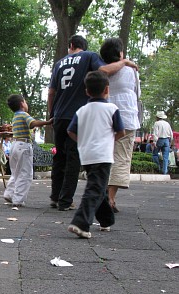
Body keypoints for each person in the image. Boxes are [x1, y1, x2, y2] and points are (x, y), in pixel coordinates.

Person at [47, 35, 136, 211]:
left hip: (60, 115)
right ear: (83, 46)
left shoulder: (59, 63)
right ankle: (66, 201)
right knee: (73, 159)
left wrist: (52, 113)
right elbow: (104, 70)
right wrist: (124, 62)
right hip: (75, 113)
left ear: (70, 45)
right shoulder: (89, 56)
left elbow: (51, 92)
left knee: (59, 157)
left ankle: (55, 197)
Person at [67, 71, 125, 239]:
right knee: (95, 188)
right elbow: (120, 131)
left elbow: (70, 131)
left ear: (86, 91)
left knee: (99, 187)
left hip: (86, 154)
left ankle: (106, 220)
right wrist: (110, 140)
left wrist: (82, 141)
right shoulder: (112, 109)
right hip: (103, 155)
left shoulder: (81, 110)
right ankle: (81, 223)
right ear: (107, 89)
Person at [100, 37, 141, 213]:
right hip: (127, 117)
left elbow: (102, 72)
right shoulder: (131, 70)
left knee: (106, 157)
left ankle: (105, 195)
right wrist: (125, 62)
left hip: (106, 117)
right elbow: (137, 93)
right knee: (121, 158)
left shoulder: (104, 70)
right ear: (120, 53)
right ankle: (110, 198)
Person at [3, 94, 52, 208]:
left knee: (15, 172)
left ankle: (9, 193)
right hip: (23, 145)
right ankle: (18, 199)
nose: (26, 104)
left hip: (14, 145)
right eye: (25, 102)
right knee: (25, 173)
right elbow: (32, 123)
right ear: (22, 104)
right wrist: (48, 122)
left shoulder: (15, 116)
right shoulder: (24, 115)